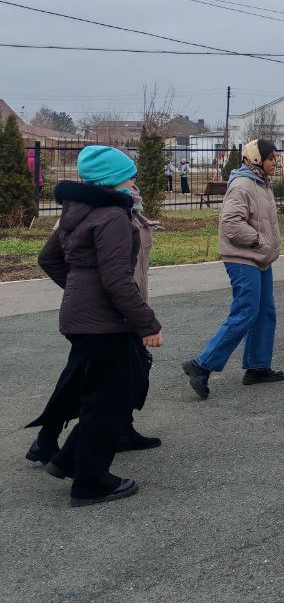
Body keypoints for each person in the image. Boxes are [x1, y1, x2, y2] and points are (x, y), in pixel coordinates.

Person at [30, 145, 162, 506]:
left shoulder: (79, 210)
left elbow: (48, 258)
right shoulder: (113, 216)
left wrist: (77, 289)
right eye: (130, 174)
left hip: (81, 318)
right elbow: (118, 281)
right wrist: (148, 324)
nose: (134, 180)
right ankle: (90, 482)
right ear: (114, 180)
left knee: (100, 396)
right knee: (108, 402)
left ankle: (67, 460)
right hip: (105, 322)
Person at [181, 139, 283, 400]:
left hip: (259, 258)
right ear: (256, 159)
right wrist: (260, 241)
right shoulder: (242, 185)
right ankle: (201, 365)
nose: (275, 162)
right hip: (242, 257)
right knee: (245, 312)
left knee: (264, 311)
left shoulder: (261, 183)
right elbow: (231, 224)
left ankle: (257, 367)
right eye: (271, 158)